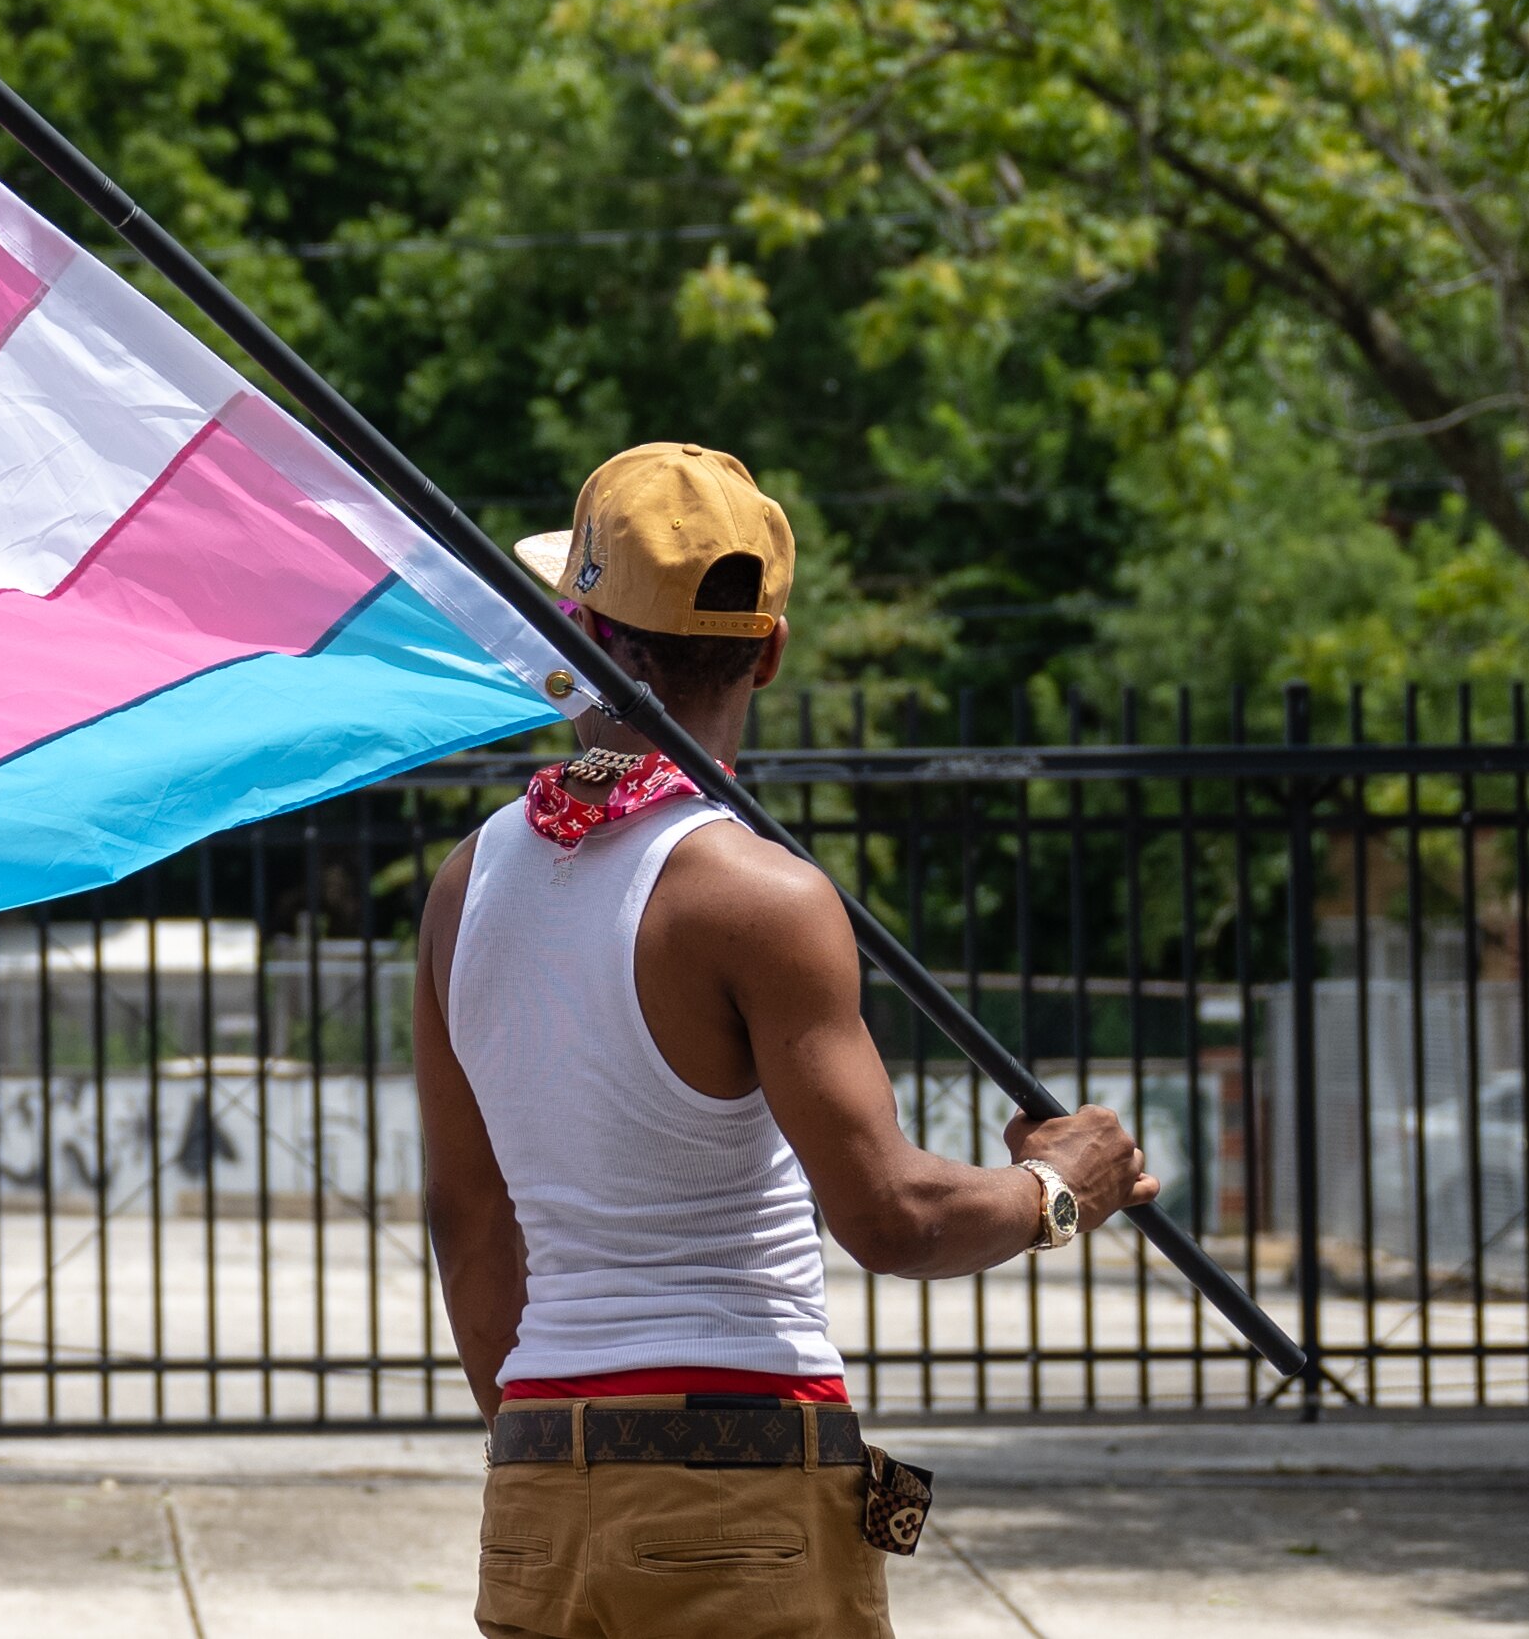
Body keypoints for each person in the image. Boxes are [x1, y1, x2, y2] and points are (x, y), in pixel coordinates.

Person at [413, 443, 1156, 1639]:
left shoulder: (467, 882)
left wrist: (548, 1445)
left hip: (538, 1480)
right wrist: (1058, 1188)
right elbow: (893, 1214)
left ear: (576, 628)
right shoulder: (761, 896)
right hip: (741, 1466)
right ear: (769, 648)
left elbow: (468, 1211)